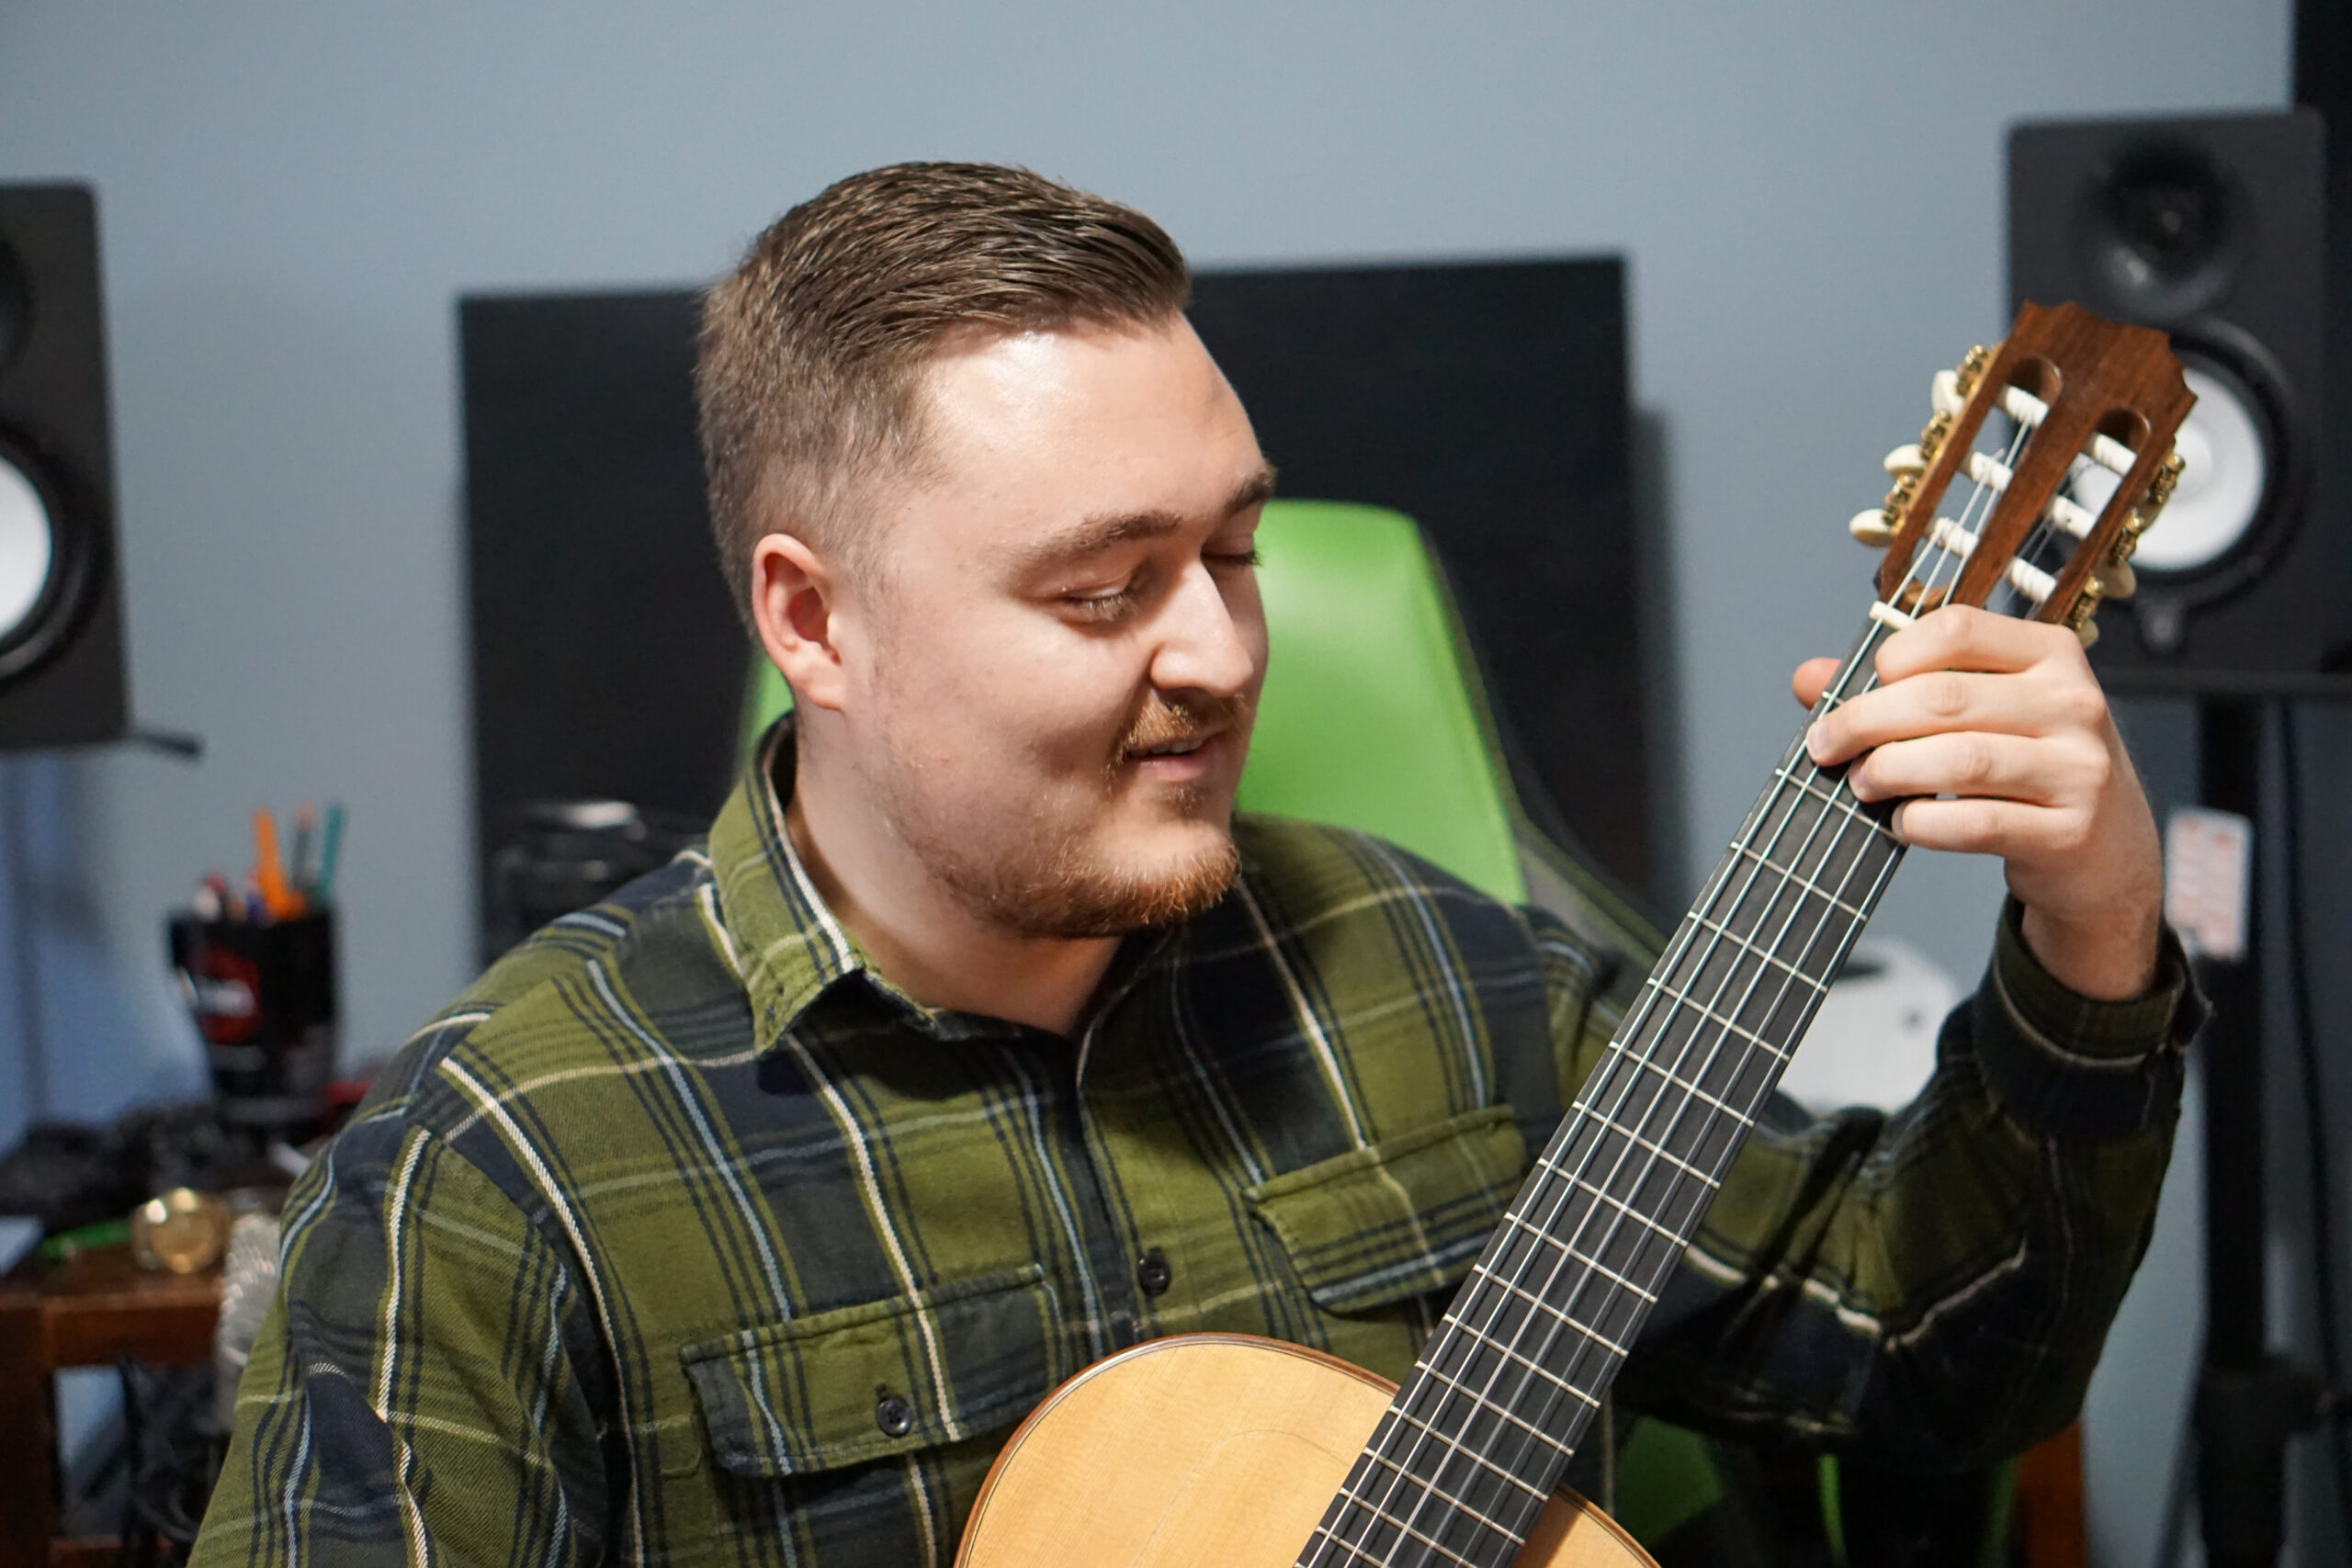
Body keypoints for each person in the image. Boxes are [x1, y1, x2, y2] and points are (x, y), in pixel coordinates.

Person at [192, 163, 2195, 1567]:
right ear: (814, 621)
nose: (1223, 648)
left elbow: (1937, 1349)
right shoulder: (508, 1154)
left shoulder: (1432, 964)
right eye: (1101, 585)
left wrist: (2089, 920)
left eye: (1232, 546)